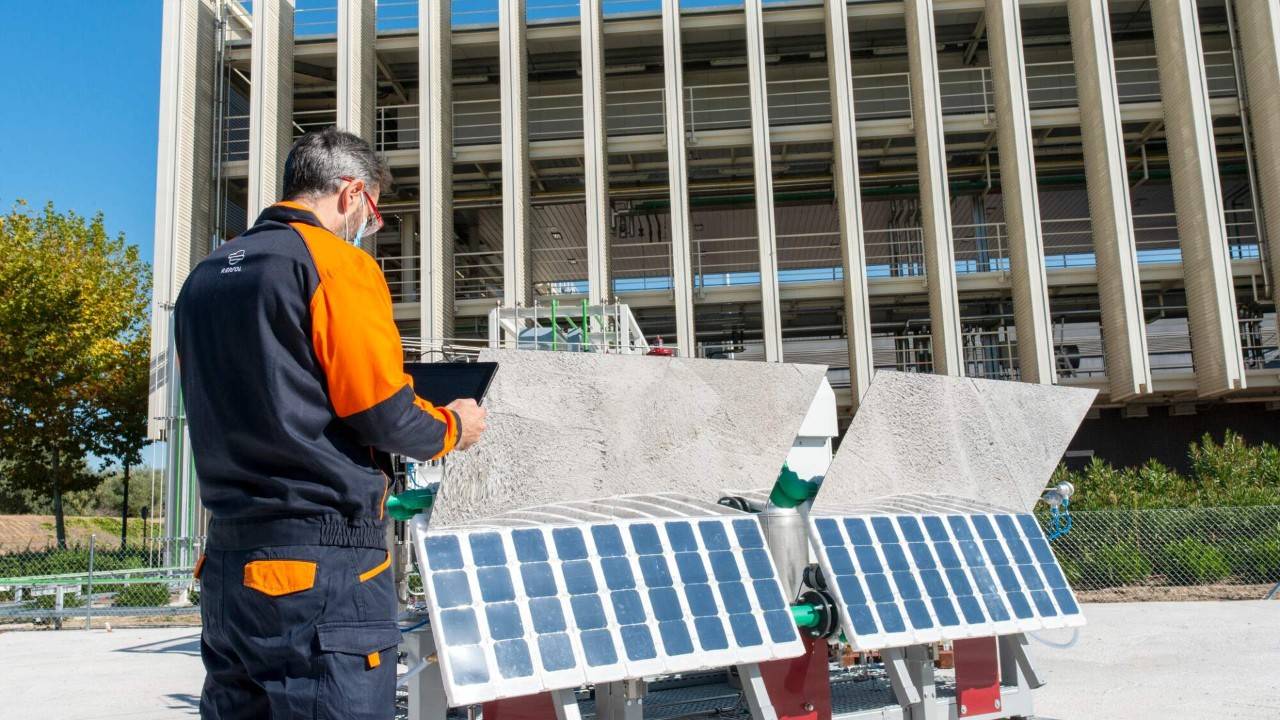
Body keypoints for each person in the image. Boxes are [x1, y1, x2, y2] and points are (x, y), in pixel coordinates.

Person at [174, 127, 486, 719]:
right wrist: (452, 426)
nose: (370, 224)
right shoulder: (335, 264)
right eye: (373, 210)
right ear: (350, 194)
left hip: (228, 566)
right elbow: (382, 412)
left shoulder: (204, 277)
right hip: (322, 561)